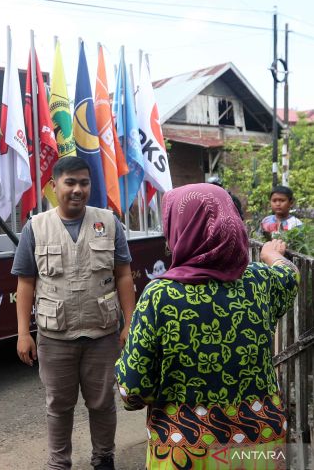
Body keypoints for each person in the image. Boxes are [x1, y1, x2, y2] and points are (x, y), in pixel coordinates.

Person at [116, 183, 299, 470]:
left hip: (187, 447)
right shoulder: (260, 281)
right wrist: (271, 254)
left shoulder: (161, 296)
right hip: (260, 439)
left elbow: (134, 389)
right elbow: (291, 274)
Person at [12, 156, 136, 470]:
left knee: (103, 402)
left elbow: (123, 274)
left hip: (102, 333)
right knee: (58, 406)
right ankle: (59, 464)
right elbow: (26, 282)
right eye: (70, 182)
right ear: (55, 186)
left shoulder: (108, 222)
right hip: (55, 337)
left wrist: (129, 323)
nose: (78, 189)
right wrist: (23, 334)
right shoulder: (35, 227)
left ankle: (104, 458)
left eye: (84, 182)